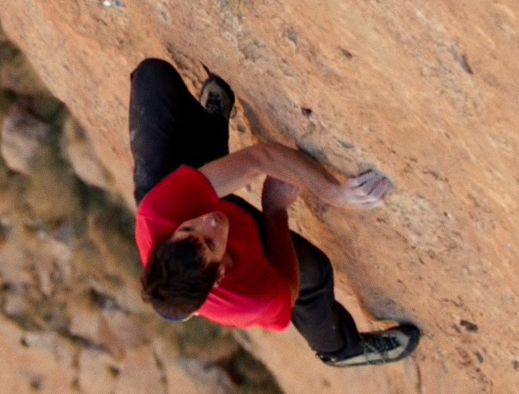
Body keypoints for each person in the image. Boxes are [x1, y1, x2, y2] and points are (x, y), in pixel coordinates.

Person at [130, 58, 420, 367]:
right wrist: (275, 212)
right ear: (220, 273)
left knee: (152, 78)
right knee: (315, 273)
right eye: (210, 243)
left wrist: (332, 192)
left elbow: (259, 158)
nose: (208, 222)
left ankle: (209, 127)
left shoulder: (160, 215)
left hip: (185, 199)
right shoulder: (248, 297)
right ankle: (340, 351)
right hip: (234, 234)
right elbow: (290, 291)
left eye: (188, 230)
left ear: (172, 235)